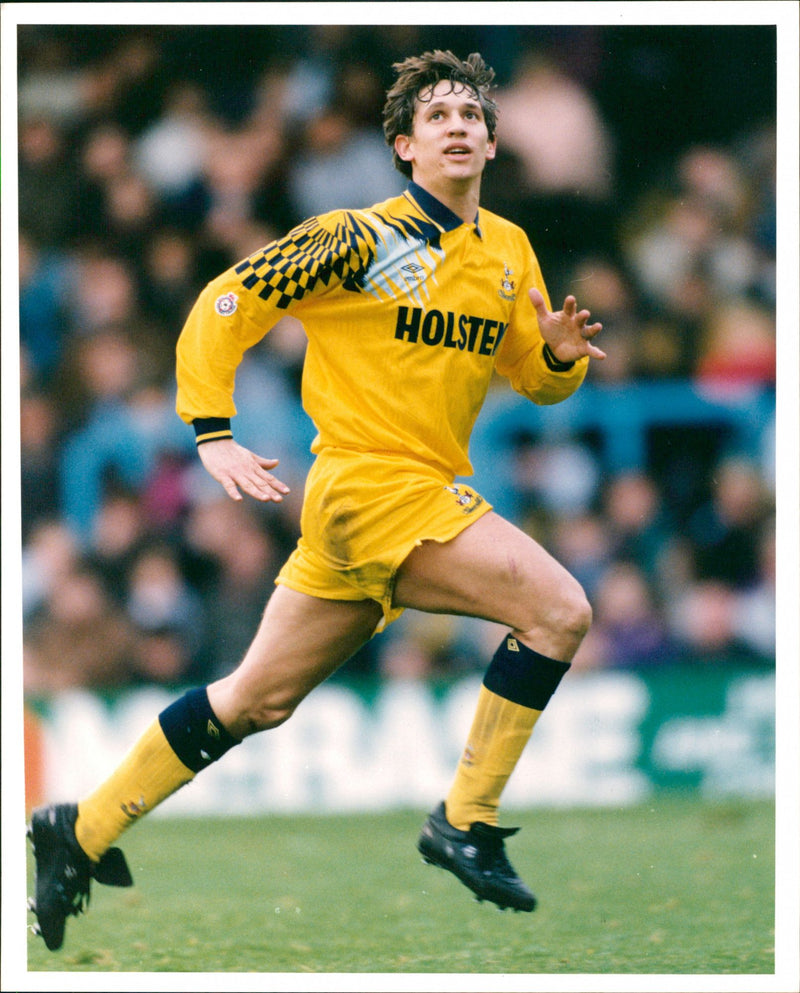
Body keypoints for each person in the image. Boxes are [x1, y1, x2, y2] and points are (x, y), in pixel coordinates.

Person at [28, 50, 605, 951]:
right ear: (405, 147)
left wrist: (560, 354)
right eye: (437, 116)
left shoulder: (509, 251)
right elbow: (228, 301)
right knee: (560, 610)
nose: (457, 126)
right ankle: (466, 817)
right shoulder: (355, 238)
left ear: (492, 143)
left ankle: (80, 829)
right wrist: (211, 431)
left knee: (253, 700)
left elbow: (532, 380)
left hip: (398, 503)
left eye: (472, 115)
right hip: (370, 488)